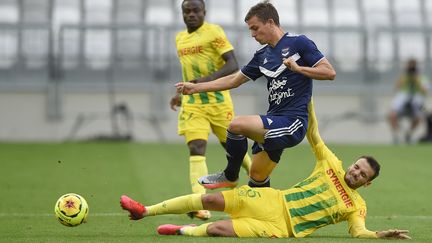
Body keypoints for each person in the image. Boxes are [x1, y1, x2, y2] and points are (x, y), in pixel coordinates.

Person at [119, 100, 411, 239]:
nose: (356, 173)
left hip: (280, 227)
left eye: (363, 175)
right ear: (352, 163)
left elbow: (359, 232)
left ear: (367, 183)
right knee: (210, 200)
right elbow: (314, 135)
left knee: (220, 229)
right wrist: (305, 100)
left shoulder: (356, 205)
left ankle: (183, 230)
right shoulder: (331, 165)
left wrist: (379, 235)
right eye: (357, 167)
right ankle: (143, 210)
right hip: (273, 199)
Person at [175, 1, 336, 189]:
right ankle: (265, 217)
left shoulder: (299, 42)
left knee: (236, 125)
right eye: (250, 30)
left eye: (255, 28)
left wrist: (299, 68)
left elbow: (329, 72)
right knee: (257, 177)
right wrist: (195, 88)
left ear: (270, 22)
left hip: (293, 122)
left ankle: (230, 175)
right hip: (274, 119)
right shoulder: (262, 55)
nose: (252, 34)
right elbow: (233, 80)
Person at [170, 0, 252, 220]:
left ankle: (256, 180)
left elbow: (233, 64)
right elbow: (189, 72)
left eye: (196, 10)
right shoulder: (179, 38)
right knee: (196, 147)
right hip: (193, 105)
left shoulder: (214, 32)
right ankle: (199, 202)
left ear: (204, 12)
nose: (191, 14)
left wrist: (202, 83)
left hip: (218, 102)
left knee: (233, 147)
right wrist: (181, 94)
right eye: (187, 11)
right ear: (182, 14)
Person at [388, 58, 429, 144]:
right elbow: (397, 88)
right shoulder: (403, 77)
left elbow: (425, 90)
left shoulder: (421, 78)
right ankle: (397, 135)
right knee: (392, 114)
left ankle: (408, 134)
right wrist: (404, 78)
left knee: (419, 116)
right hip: (403, 96)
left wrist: (416, 80)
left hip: (416, 97)